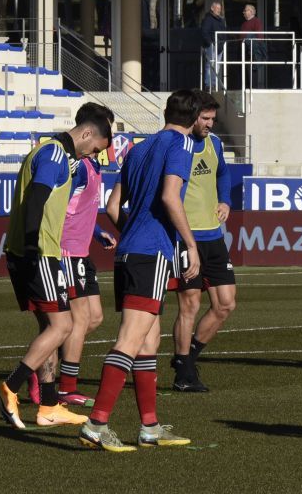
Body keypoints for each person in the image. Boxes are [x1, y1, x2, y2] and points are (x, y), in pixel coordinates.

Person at [78, 89, 202, 453]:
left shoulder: (138, 148)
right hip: (152, 254)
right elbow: (169, 196)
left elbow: (114, 206)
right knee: (131, 340)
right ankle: (97, 423)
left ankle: (149, 427)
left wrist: (133, 234)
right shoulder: (181, 146)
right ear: (194, 120)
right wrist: (190, 244)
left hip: (131, 252)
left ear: (166, 111)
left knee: (149, 340)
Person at [0, 105, 113, 429]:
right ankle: (9, 387)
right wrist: (33, 246)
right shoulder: (56, 155)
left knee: (53, 329)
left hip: (37, 253)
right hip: (40, 253)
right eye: (95, 147)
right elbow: (36, 199)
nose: (93, 154)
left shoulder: (56, 155)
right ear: (86, 134)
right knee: (63, 327)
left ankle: (49, 405)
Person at [172, 93, 236, 392]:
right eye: (205, 119)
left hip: (214, 236)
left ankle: (188, 356)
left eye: (213, 119)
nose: (210, 124)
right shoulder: (179, 147)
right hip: (187, 238)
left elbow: (223, 173)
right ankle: (184, 372)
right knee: (190, 304)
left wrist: (225, 200)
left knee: (225, 304)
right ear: (193, 116)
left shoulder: (215, 144)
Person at [57, 104, 118, 406]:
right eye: (107, 127)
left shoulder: (93, 165)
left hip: (82, 251)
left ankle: (47, 367)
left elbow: (82, 208)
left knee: (93, 318)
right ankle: (66, 387)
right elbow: (60, 207)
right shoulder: (78, 165)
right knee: (77, 320)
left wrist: (97, 232)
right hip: (68, 251)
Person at [201, 1, 226, 90]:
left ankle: (214, 84)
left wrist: (223, 43)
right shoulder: (208, 19)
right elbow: (204, 32)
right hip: (212, 46)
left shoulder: (221, 20)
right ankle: (208, 85)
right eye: (217, 8)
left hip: (220, 46)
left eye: (220, 8)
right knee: (210, 65)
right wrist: (210, 43)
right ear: (212, 8)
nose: (219, 10)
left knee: (217, 66)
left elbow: (224, 33)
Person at [240, 4, 266, 88]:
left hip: (253, 50)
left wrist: (256, 51)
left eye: (245, 10)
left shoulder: (256, 21)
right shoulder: (244, 23)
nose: (243, 12)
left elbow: (259, 36)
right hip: (244, 50)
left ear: (251, 12)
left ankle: (253, 89)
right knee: (246, 70)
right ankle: (247, 88)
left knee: (252, 70)